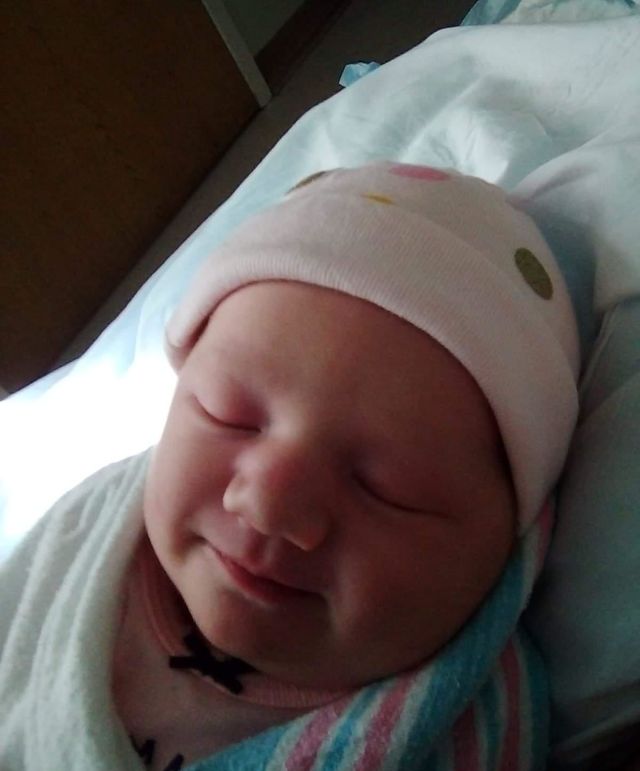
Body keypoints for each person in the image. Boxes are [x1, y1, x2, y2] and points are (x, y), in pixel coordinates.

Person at [0, 161, 581, 771]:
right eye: (227, 414)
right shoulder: (89, 534)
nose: (268, 504)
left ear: (503, 547)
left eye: (386, 489)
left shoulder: (467, 736)